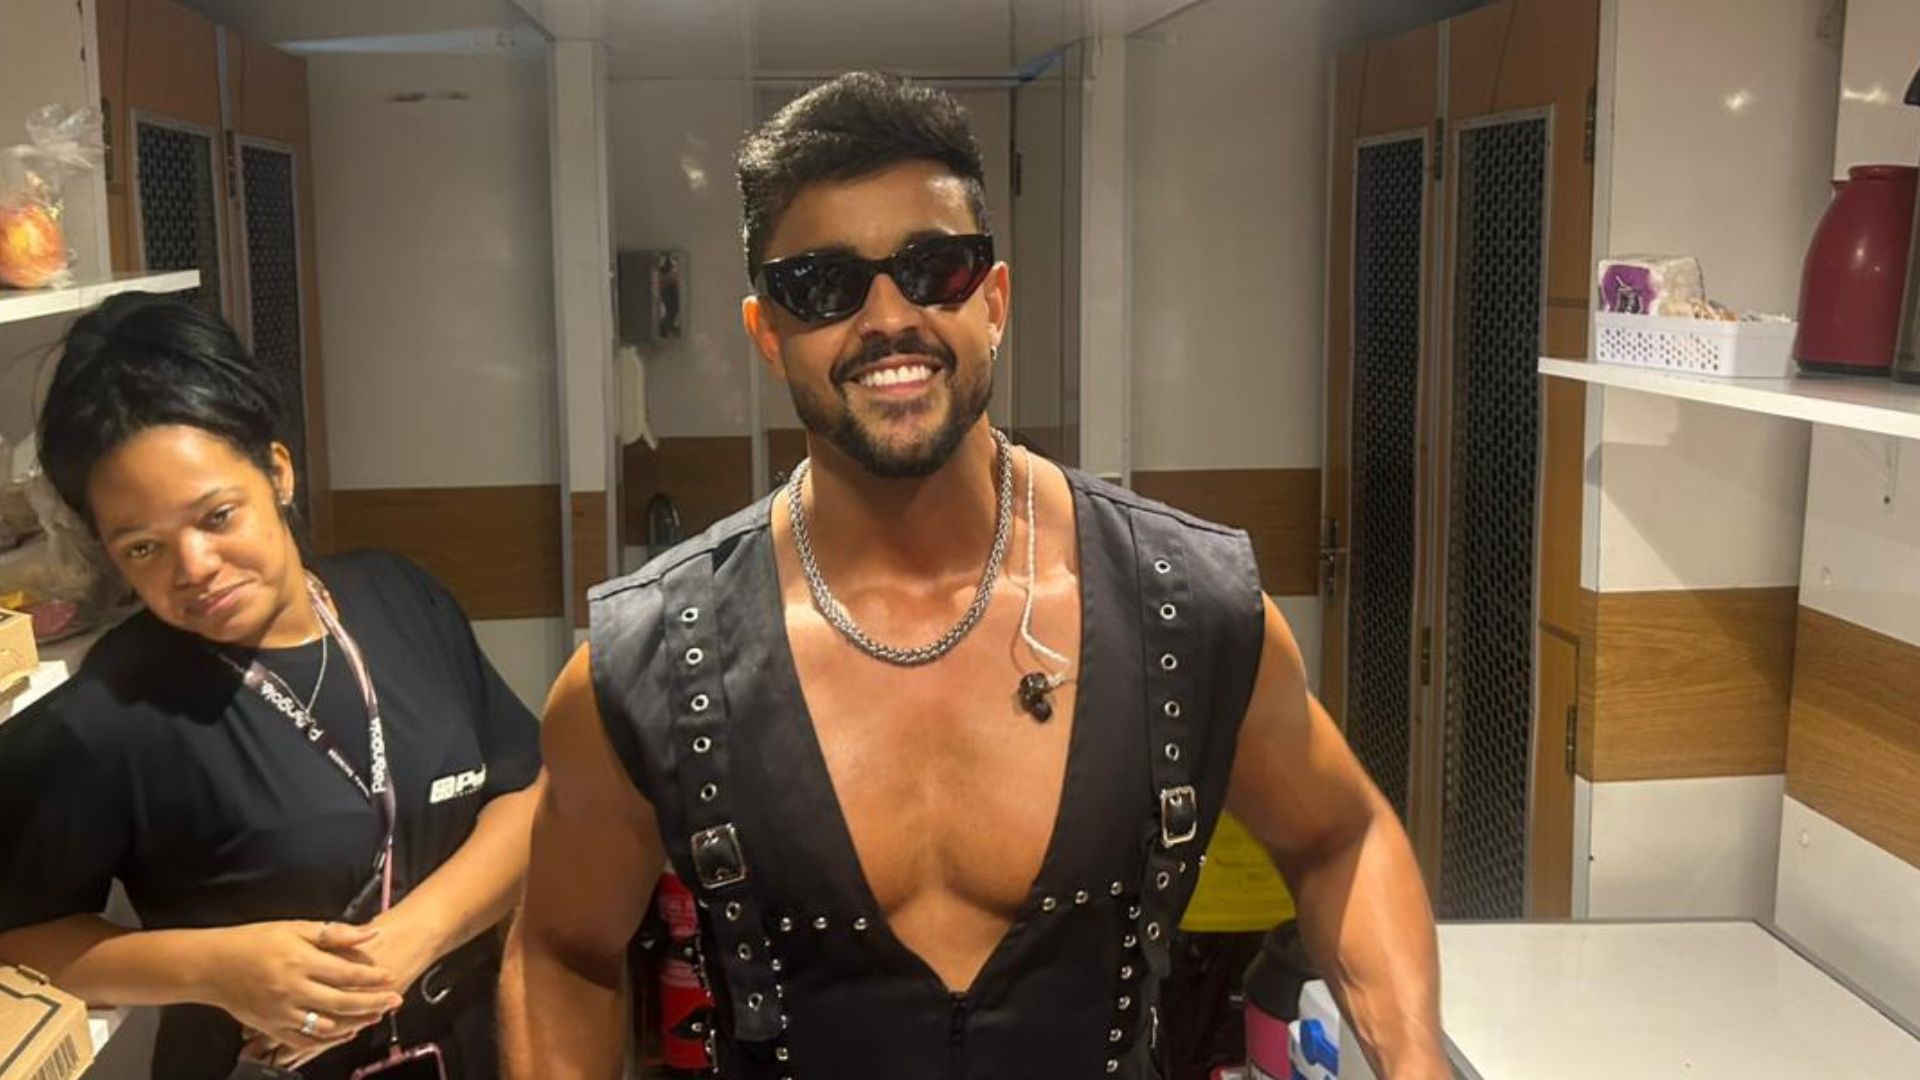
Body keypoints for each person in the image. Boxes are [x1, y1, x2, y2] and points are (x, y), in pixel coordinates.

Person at [501, 72, 1445, 1079]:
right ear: (768, 333)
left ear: (992, 301)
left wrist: (1413, 1061)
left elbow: (1342, 836)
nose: (887, 317)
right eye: (822, 285)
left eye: (934, 269)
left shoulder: (1185, 603)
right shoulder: (653, 660)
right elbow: (561, 949)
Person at [0, 293, 543, 1079]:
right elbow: (19, 938)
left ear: (278, 472)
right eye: (143, 548)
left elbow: (525, 796)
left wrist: (413, 938)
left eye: (217, 515)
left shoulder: (402, 599)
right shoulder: (104, 714)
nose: (194, 567)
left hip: (466, 1047)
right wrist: (213, 968)